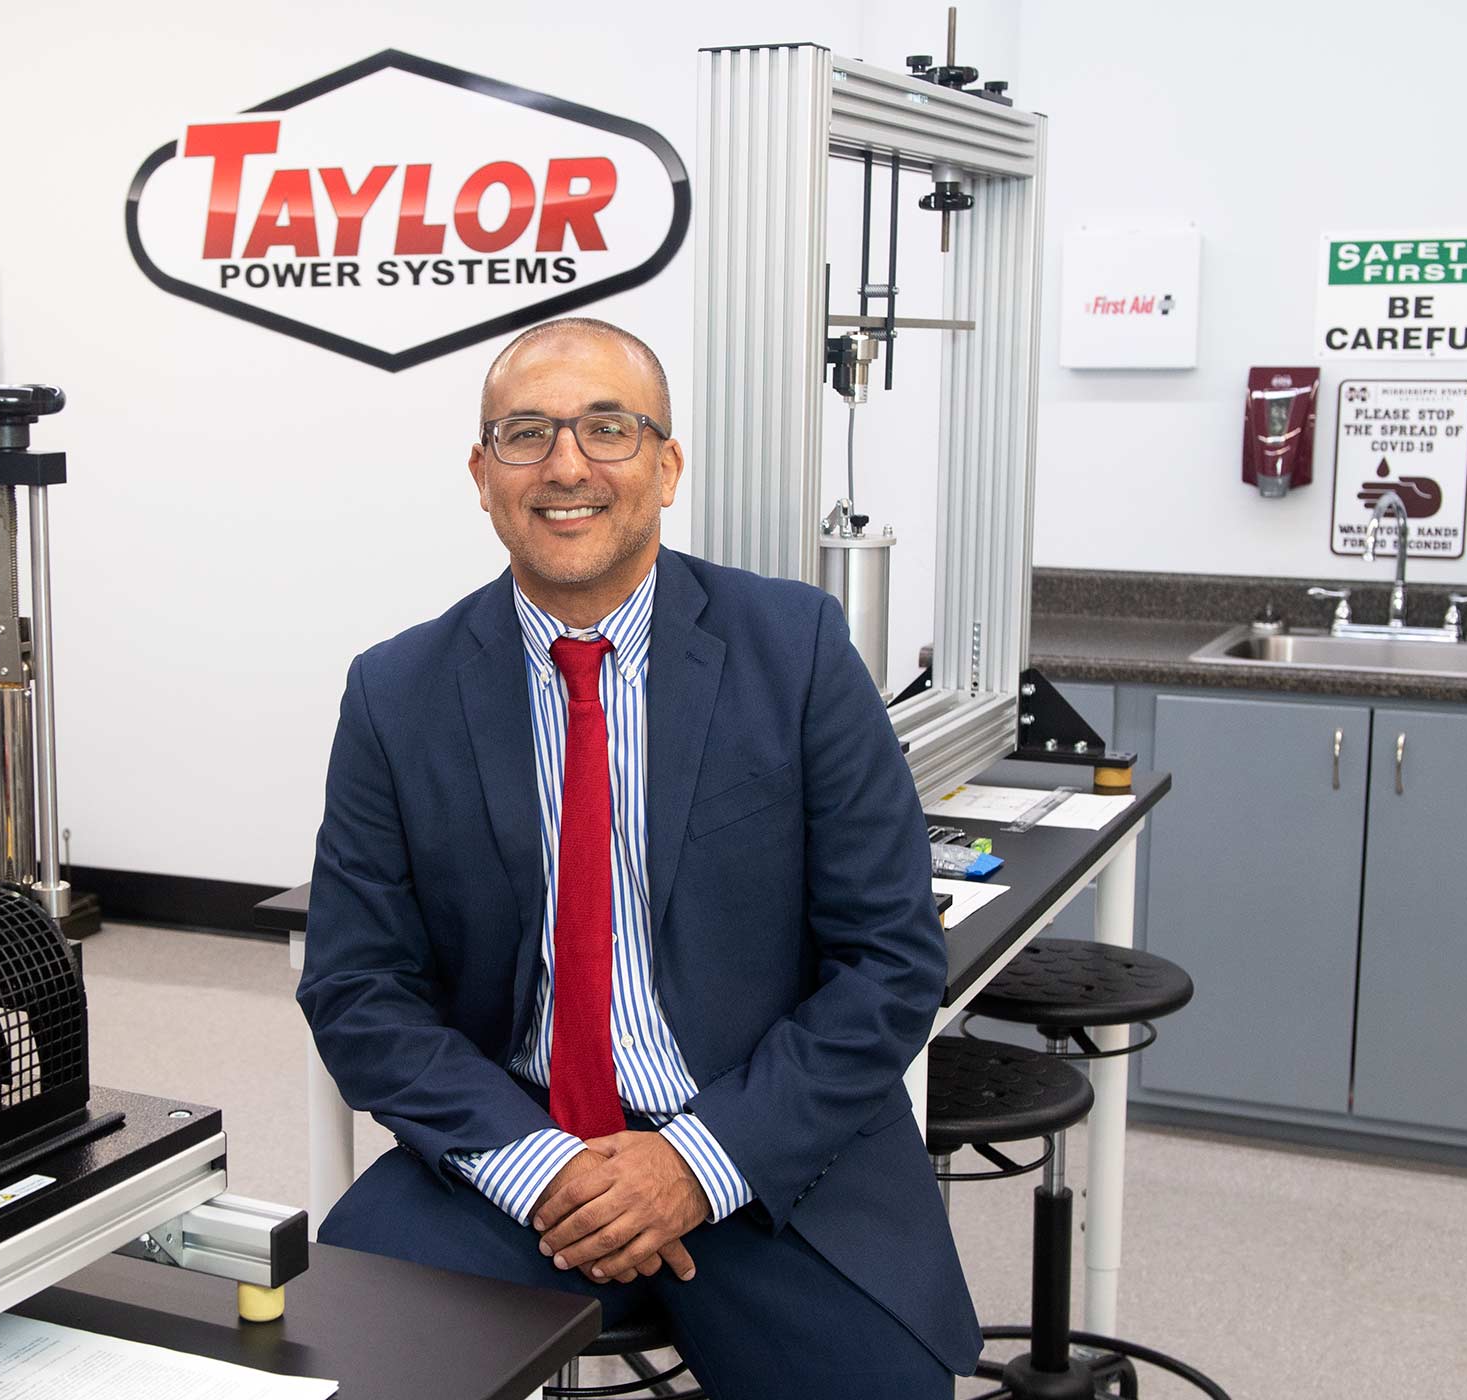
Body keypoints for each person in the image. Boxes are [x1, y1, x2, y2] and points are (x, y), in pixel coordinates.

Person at [297, 317, 978, 1397]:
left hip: (768, 1149)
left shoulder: (794, 649)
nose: (567, 464)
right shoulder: (397, 691)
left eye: (608, 428)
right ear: (482, 475)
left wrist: (693, 1162)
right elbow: (356, 987)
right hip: (511, 1151)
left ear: (667, 465)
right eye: (527, 433)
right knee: (331, 1377)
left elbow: (890, 960)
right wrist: (547, 1166)